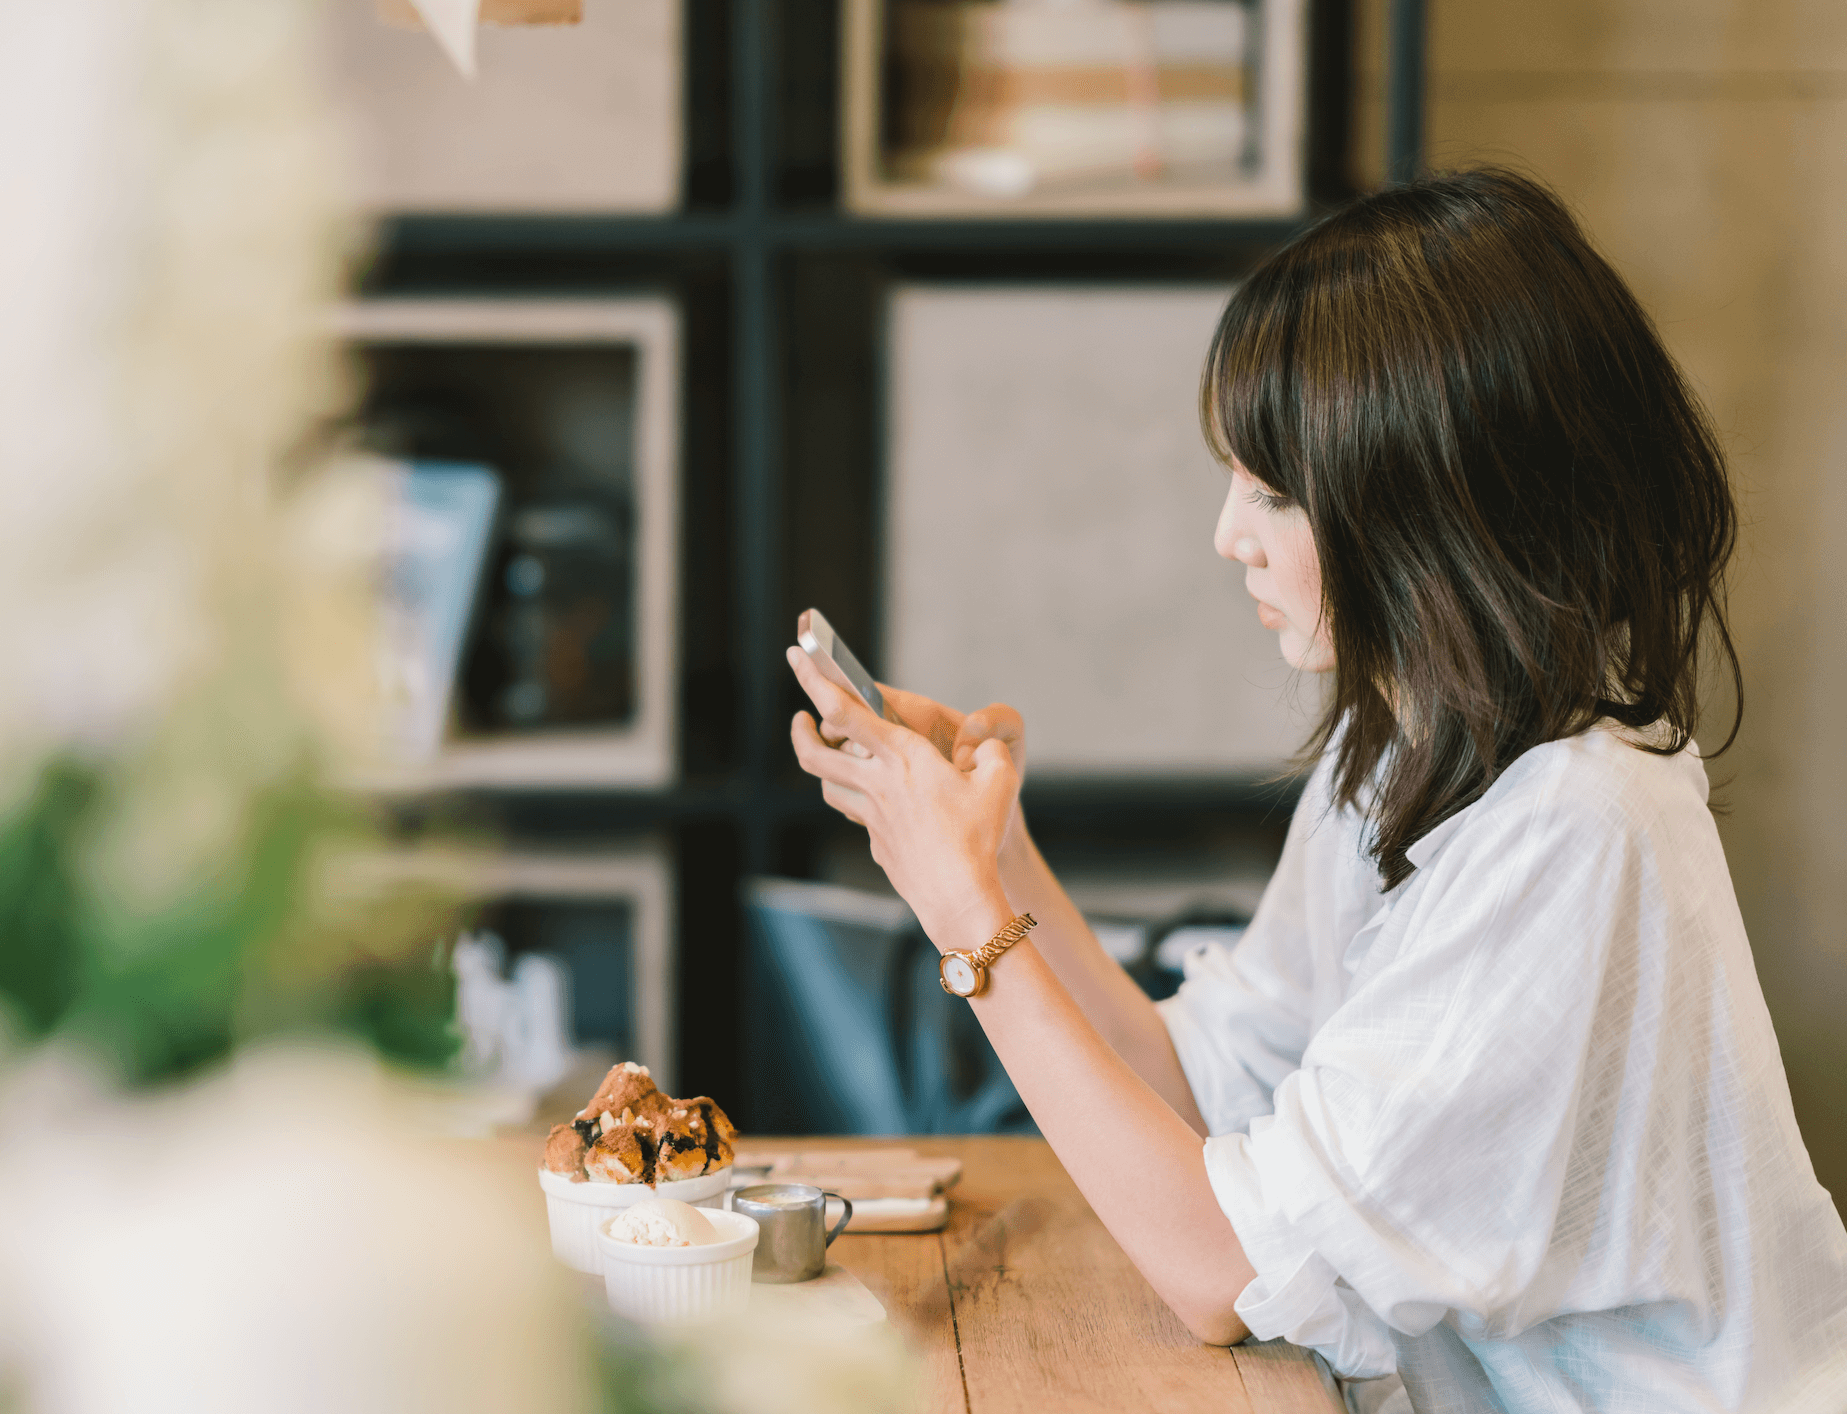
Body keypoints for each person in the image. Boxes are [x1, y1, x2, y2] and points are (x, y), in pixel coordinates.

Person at [784, 168, 1847, 1412]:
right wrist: (997, 849)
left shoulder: (1576, 825)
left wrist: (964, 909)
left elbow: (1221, 1266)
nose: (1230, 534)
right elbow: (1206, 1086)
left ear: (1429, 507)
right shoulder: (1410, 747)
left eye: (1275, 493)